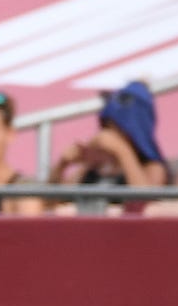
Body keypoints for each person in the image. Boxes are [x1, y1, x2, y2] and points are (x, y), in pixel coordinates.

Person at [49, 81, 169, 210]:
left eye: (119, 129)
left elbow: (146, 206)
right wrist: (61, 165)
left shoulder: (152, 167)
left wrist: (123, 152)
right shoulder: (93, 167)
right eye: (107, 126)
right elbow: (52, 204)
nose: (110, 135)